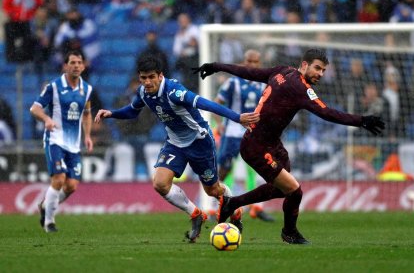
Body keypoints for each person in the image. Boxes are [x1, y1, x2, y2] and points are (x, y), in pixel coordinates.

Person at [193, 48, 385, 244]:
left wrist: (217, 66)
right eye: (317, 68)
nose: (320, 74)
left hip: (272, 144)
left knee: (283, 190)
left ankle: (232, 203)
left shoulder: (281, 71)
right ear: (304, 65)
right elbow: (327, 113)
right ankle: (289, 232)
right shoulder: (301, 89)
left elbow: (248, 73)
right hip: (256, 147)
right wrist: (362, 120)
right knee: (295, 190)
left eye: (323, 71)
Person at [94, 55, 259, 243]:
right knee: (160, 183)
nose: (147, 82)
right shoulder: (143, 92)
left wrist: (237, 117)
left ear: (160, 75)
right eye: (143, 78)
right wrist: (112, 113)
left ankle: (235, 210)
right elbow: (132, 110)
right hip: (175, 143)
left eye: (151, 77)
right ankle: (196, 214)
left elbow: (206, 103)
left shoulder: (174, 91)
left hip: (200, 142)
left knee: (212, 190)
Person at [207, 49, 274, 222]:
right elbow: (217, 103)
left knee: (261, 170)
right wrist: (220, 123)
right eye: (249, 61)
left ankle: (257, 208)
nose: (252, 65)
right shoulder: (233, 83)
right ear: (244, 62)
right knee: (225, 170)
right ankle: (219, 206)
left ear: (260, 64)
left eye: (255, 62)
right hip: (232, 134)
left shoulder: (264, 85)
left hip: (254, 134)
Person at [30, 50, 94, 233]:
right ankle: (49, 222)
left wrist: (87, 136)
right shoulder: (54, 86)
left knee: (71, 186)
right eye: (72, 62)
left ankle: (45, 205)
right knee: (58, 179)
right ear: (65, 65)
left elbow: (87, 114)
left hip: (74, 144)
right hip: (55, 140)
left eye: (79, 62)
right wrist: (47, 119)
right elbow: (34, 109)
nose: (76, 66)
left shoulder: (87, 89)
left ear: (83, 65)